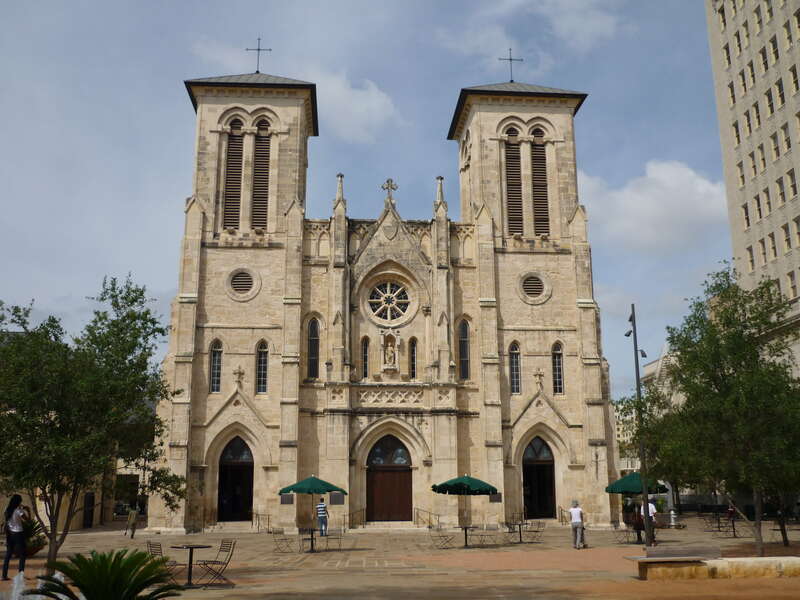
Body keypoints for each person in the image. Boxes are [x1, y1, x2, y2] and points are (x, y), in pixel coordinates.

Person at [3, 494, 31, 580]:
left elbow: (7, 521)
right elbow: (28, 521)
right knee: (23, 554)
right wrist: (28, 511)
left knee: (8, 555)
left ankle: (4, 575)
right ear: (18, 502)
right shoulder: (19, 511)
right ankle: (20, 575)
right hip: (19, 534)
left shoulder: (7, 510)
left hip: (10, 534)